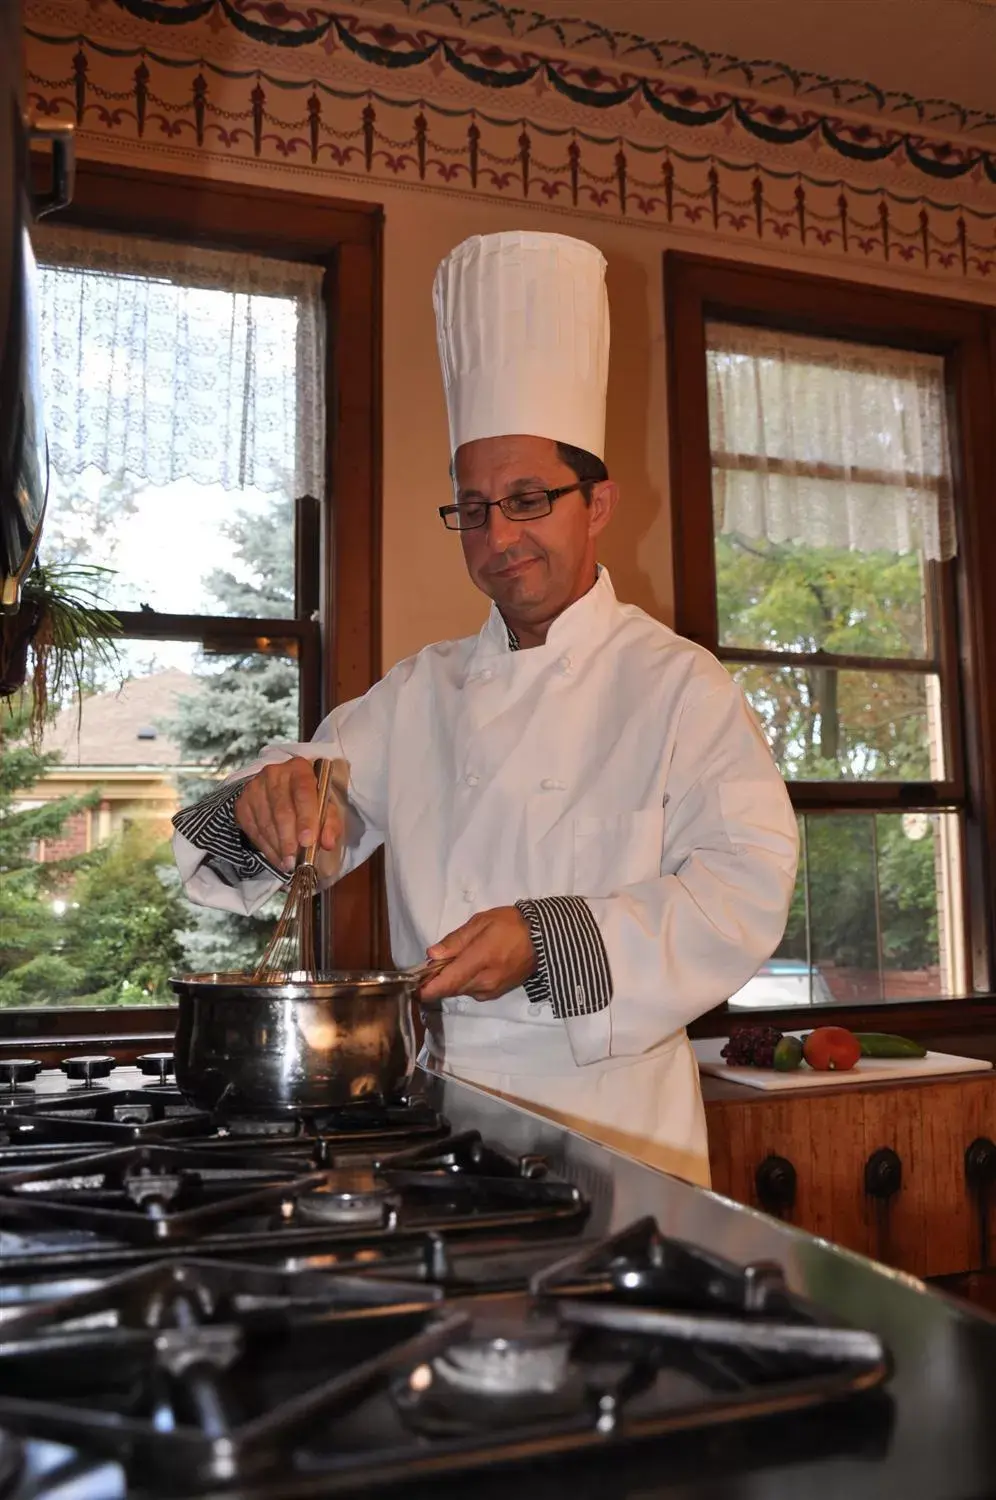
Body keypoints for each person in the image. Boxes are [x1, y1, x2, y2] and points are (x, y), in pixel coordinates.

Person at [172, 229, 798, 1187]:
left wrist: (547, 940)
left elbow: (743, 893)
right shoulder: (422, 691)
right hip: (441, 1113)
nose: (498, 537)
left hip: (618, 1127)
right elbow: (300, 808)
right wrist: (275, 803)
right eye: (473, 507)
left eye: (528, 499)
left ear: (598, 504)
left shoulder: (679, 686)